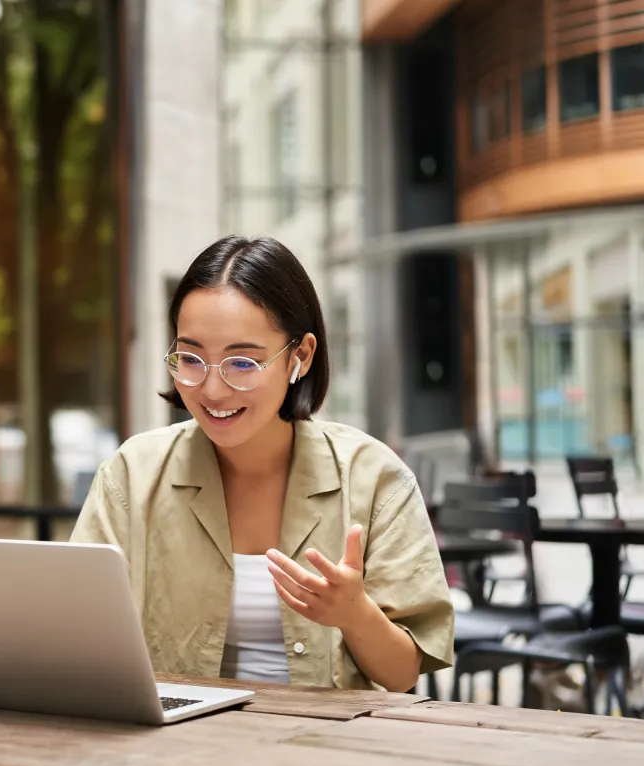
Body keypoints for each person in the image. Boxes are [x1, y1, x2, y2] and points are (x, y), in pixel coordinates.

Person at [70, 235, 454, 692]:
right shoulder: (132, 475)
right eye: (191, 358)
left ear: (301, 357)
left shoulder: (374, 478)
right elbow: (75, 634)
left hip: (323, 748)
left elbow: (401, 675)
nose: (212, 390)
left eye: (243, 364)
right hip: (177, 747)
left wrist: (356, 615)